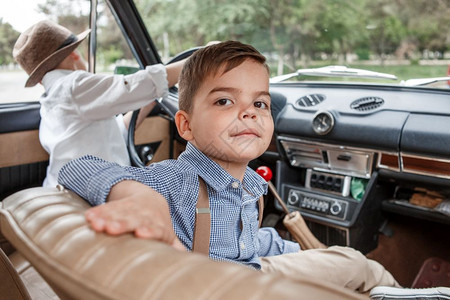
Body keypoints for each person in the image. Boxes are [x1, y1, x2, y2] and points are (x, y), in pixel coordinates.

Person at [58, 41, 450, 299]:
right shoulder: (173, 180)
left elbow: (245, 243)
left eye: (261, 104)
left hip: (249, 270)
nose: (248, 111)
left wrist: (290, 250)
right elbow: (78, 167)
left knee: (342, 258)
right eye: (225, 101)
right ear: (185, 126)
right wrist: (133, 193)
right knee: (359, 264)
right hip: (229, 286)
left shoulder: (248, 184)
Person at [12, 20, 186, 187]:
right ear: (74, 54)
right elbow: (135, 85)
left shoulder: (52, 99)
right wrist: (200, 60)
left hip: (60, 187)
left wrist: (146, 103)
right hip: (88, 194)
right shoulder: (73, 86)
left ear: (40, 80)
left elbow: (108, 135)